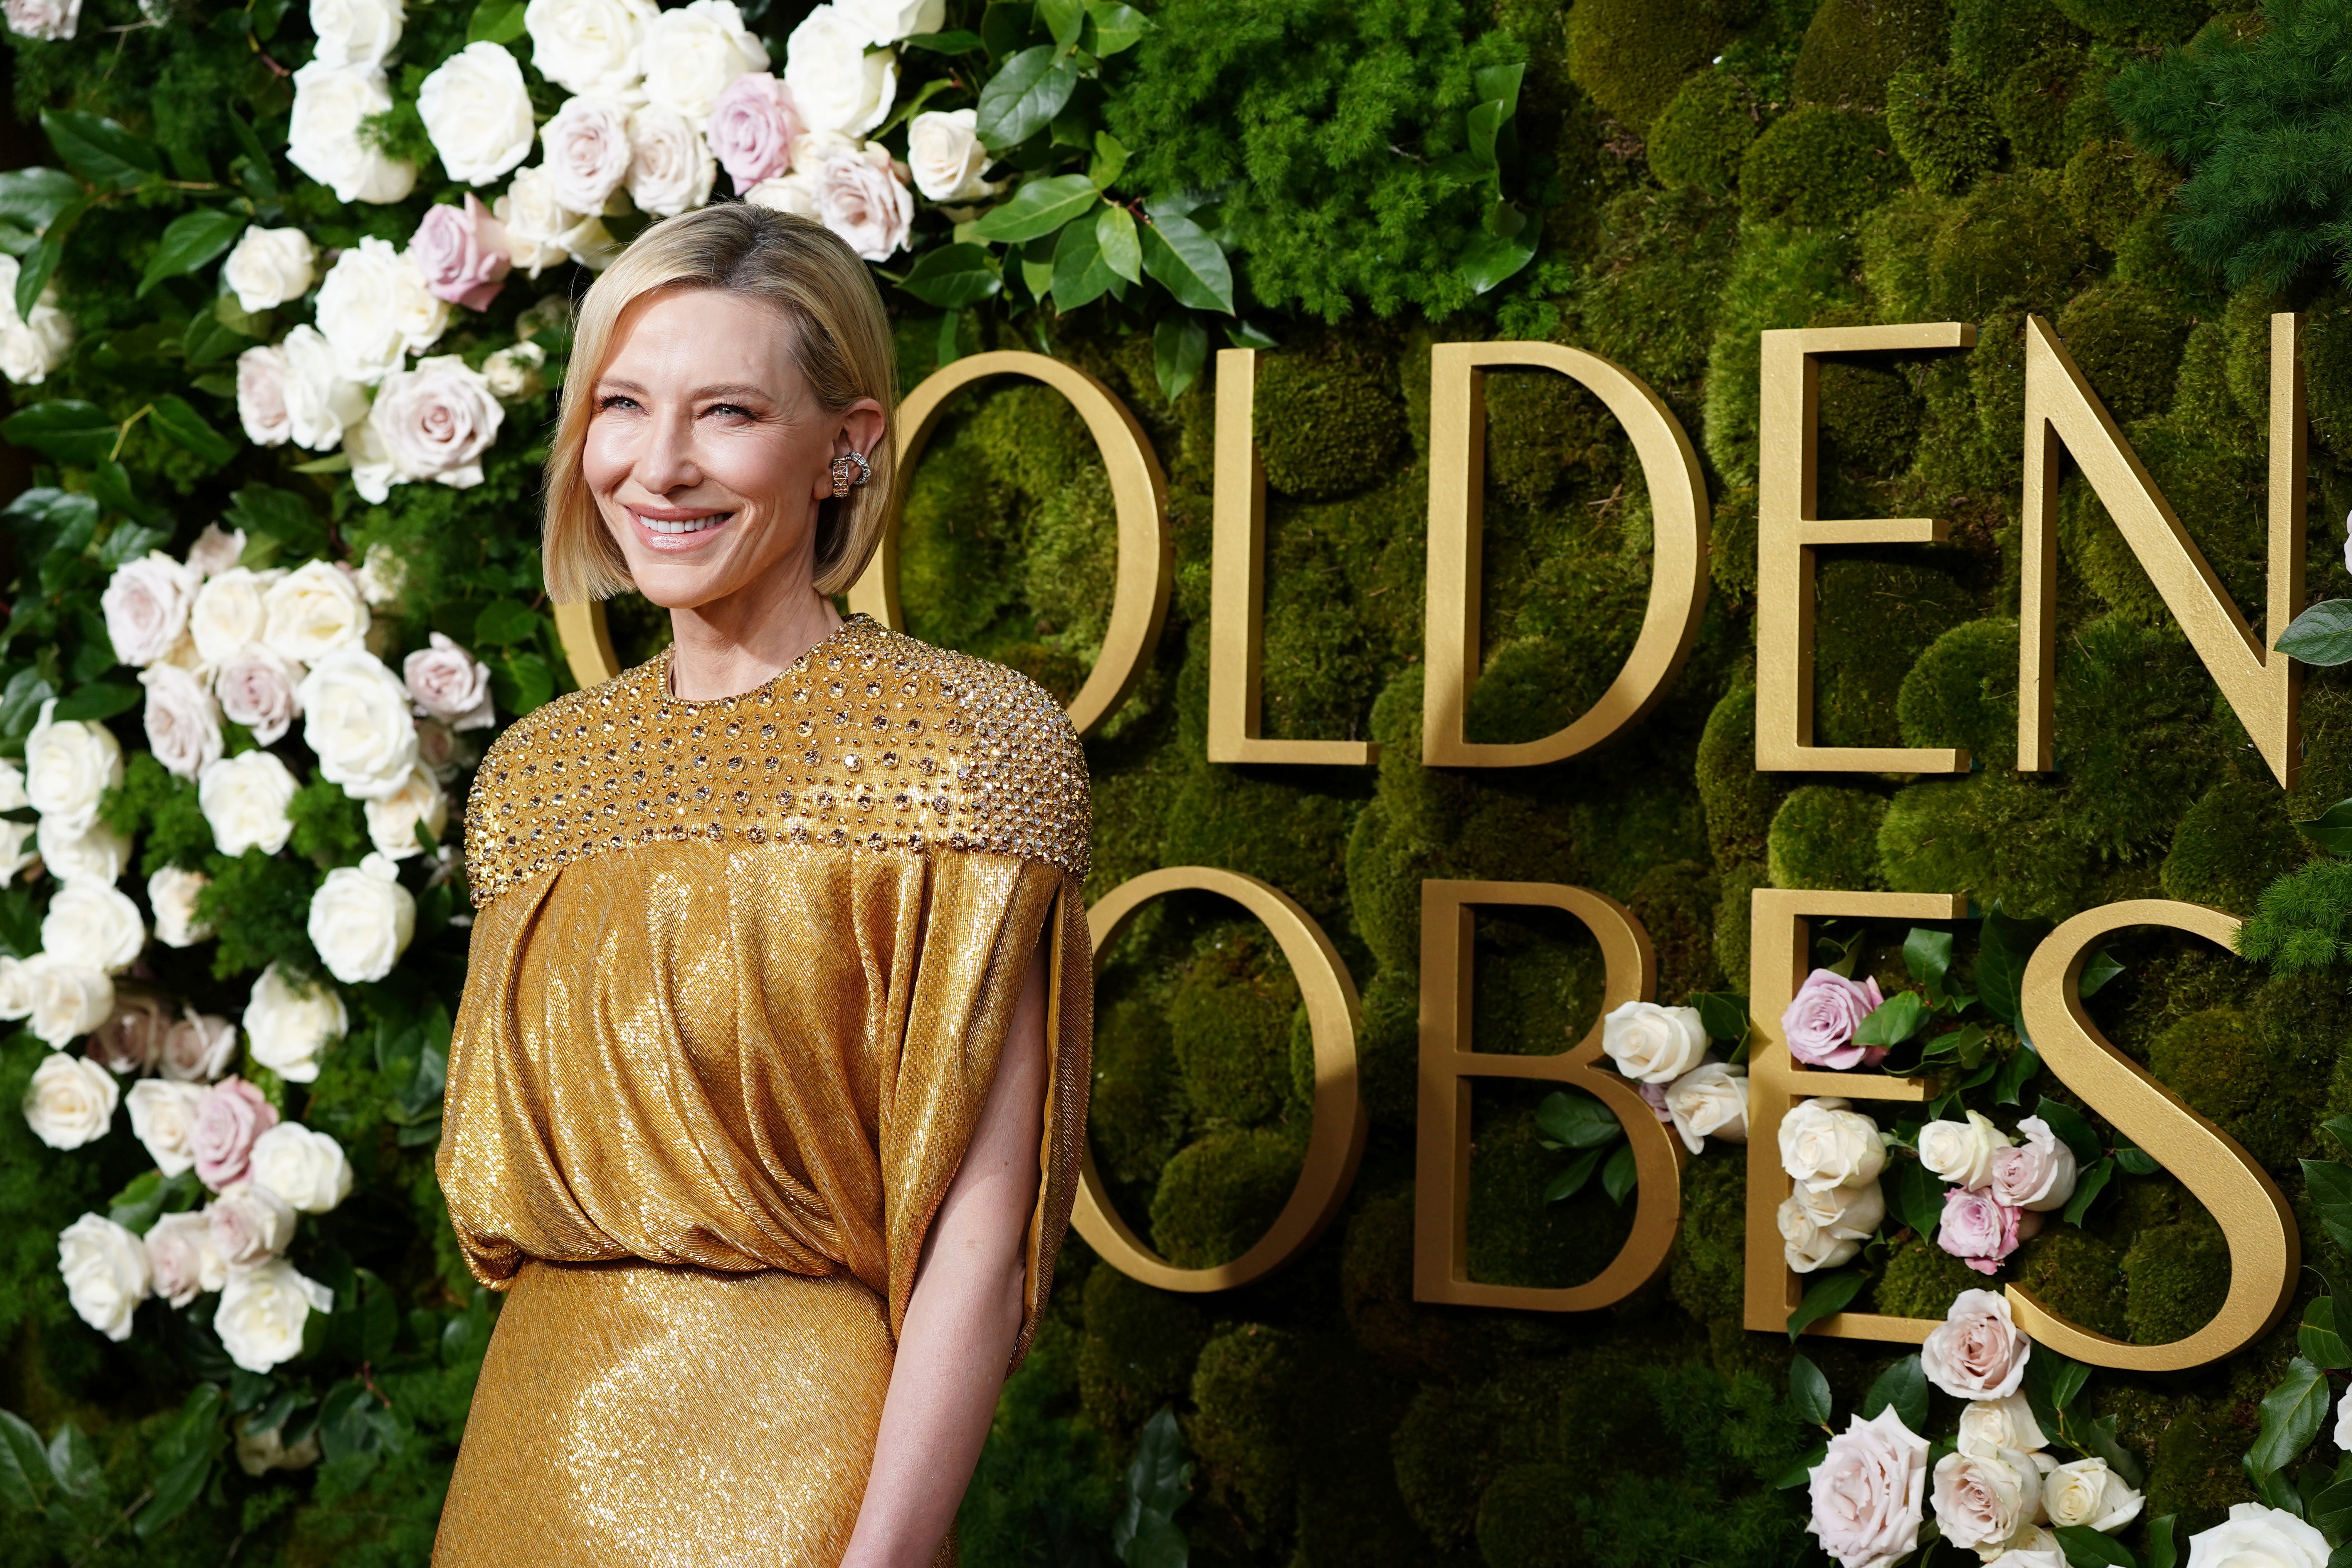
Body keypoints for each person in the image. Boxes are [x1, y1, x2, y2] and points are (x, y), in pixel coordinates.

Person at [432, 204, 1093, 1567]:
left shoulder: (971, 747)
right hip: (524, 1465)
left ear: (847, 443)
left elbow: (982, 1224)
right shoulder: (535, 776)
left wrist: (886, 1555)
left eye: (725, 412)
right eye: (621, 405)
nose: (657, 467)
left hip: (798, 1478)